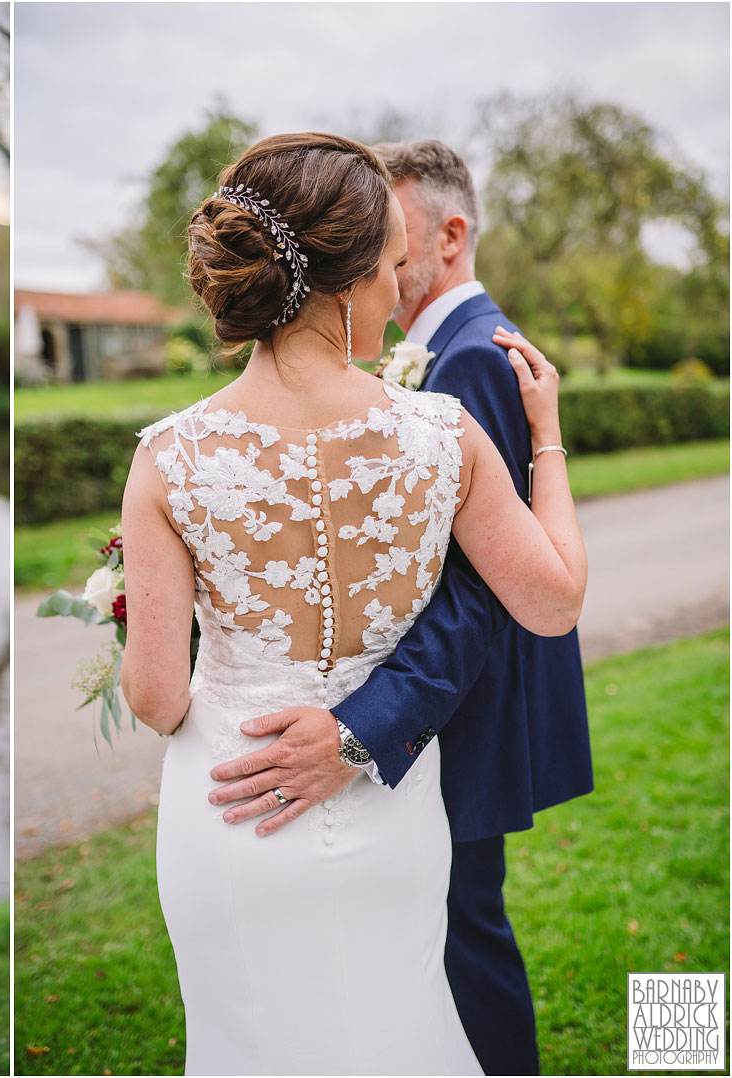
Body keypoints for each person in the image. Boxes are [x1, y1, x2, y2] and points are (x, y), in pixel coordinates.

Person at [119, 132, 586, 1074]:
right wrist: (546, 439)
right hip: (387, 810)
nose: (394, 290)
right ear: (344, 285)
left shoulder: (167, 457)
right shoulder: (442, 435)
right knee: (399, 1025)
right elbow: (554, 602)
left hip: (230, 806)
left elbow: (157, 697)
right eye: (388, 268)